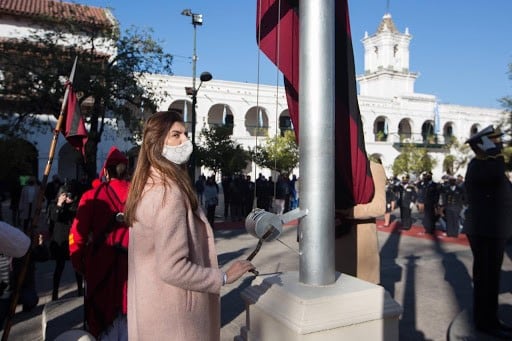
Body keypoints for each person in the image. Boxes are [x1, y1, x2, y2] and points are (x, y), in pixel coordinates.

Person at [124, 110, 254, 340]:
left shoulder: (147, 186)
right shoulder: (168, 193)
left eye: (185, 134)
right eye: (176, 135)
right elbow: (172, 267)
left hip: (154, 314)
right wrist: (223, 277)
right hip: (176, 321)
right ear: (157, 141)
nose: (185, 141)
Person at [69, 146, 131, 339]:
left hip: (101, 272)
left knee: (104, 329)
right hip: (135, 271)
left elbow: (76, 238)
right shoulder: (140, 195)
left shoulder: (92, 196)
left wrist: (82, 265)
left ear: (105, 171)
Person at [462, 125, 512, 339]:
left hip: (495, 231)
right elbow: (495, 172)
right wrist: (494, 153)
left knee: (492, 280)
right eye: (494, 141)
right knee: (485, 280)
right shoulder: (479, 166)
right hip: (485, 232)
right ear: (484, 144)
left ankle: (492, 319)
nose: (499, 144)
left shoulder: (490, 166)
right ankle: (484, 323)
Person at [334, 160, 386, 284]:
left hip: (361, 247)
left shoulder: (373, 167)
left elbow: (379, 207)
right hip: (334, 245)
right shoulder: (331, 166)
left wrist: (347, 211)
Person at [47, 185, 83, 301]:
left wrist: (71, 202)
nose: (68, 197)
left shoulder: (74, 206)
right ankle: (55, 292)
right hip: (60, 240)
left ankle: (80, 290)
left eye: (69, 195)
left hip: (72, 240)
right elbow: (55, 216)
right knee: (59, 267)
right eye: (65, 195)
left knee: (77, 267)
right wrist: (59, 204)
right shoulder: (54, 206)